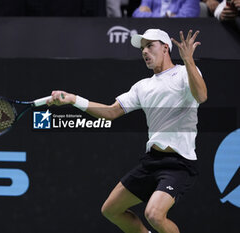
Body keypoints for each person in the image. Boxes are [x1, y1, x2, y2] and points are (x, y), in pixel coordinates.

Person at [47, 28, 207, 233]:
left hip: (178, 164)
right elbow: (111, 111)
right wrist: (73, 99)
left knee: (154, 215)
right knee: (111, 210)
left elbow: (201, 96)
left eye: (150, 46)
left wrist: (189, 61)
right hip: (152, 161)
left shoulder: (185, 73)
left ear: (166, 48)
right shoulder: (142, 86)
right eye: (142, 48)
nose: (145, 52)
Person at [132, 0, 200, 17]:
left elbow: (185, 18)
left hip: (177, 34)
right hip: (152, 33)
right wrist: (166, 16)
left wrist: (150, 15)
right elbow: (137, 14)